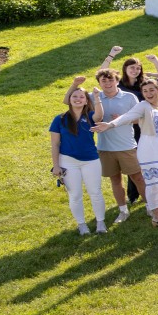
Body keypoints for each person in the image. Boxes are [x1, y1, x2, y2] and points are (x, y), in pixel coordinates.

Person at [91, 66, 158, 226]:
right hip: (150, 147)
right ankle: (156, 217)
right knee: (153, 182)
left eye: (152, 90)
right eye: (145, 91)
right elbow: (127, 117)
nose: (149, 94)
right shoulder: (143, 106)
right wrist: (109, 125)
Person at [49, 79, 107, 236]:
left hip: (91, 160)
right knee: (75, 195)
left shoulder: (90, 116)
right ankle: (82, 225)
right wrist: (56, 166)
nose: (78, 99)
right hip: (68, 162)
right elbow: (55, 144)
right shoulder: (59, 119)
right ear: (69, 99)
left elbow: (100, 116)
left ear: (86, 101)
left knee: (95, 192)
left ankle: (100, 222)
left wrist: (96, 97)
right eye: (74, 96)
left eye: (81, 97)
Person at [90, 66, 146, 226]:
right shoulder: (94, 97)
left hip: (127, 146)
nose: (107, 83)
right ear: (99, 83)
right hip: (105, 147)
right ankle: (123, 210)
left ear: (117, 81)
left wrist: (123, 118)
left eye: (111, 80)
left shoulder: (128, 97)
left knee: (138, 178)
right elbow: (70, 102)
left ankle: (150, 206)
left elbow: (140, 118)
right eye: (103, 81)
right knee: (115, 180)